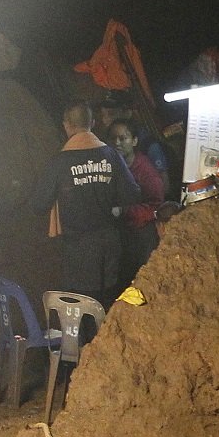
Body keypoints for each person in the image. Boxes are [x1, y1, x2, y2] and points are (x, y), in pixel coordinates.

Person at [31, 101, 142, 301]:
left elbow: (39, 204)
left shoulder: (59, 162)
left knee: (82, 308)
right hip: (110, 246)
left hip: (78, 251)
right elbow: (133, 194)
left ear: (66, 125)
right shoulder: (111, 156)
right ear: (92, 122)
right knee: (108, 304)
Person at [107, 117, 165, 287]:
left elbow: (156, 206)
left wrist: (125, 211)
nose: (117, 142)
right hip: (123, 237)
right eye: (113, 138)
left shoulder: (146, 170)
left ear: (134, 141)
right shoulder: (111, 168)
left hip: (143, 235)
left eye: (123, 138)